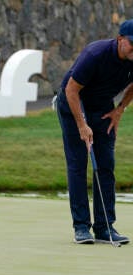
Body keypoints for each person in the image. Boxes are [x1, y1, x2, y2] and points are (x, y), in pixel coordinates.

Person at [56, 19, 133, 244]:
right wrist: (82, 124)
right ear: (120, 40)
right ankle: (81, 227)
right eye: (131, 44)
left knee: (106, 164)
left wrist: (120, 110)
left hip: (102, 108)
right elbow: (71, 89)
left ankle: (105, 227)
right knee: (79, 164)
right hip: (73, 105)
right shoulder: (95, 54)